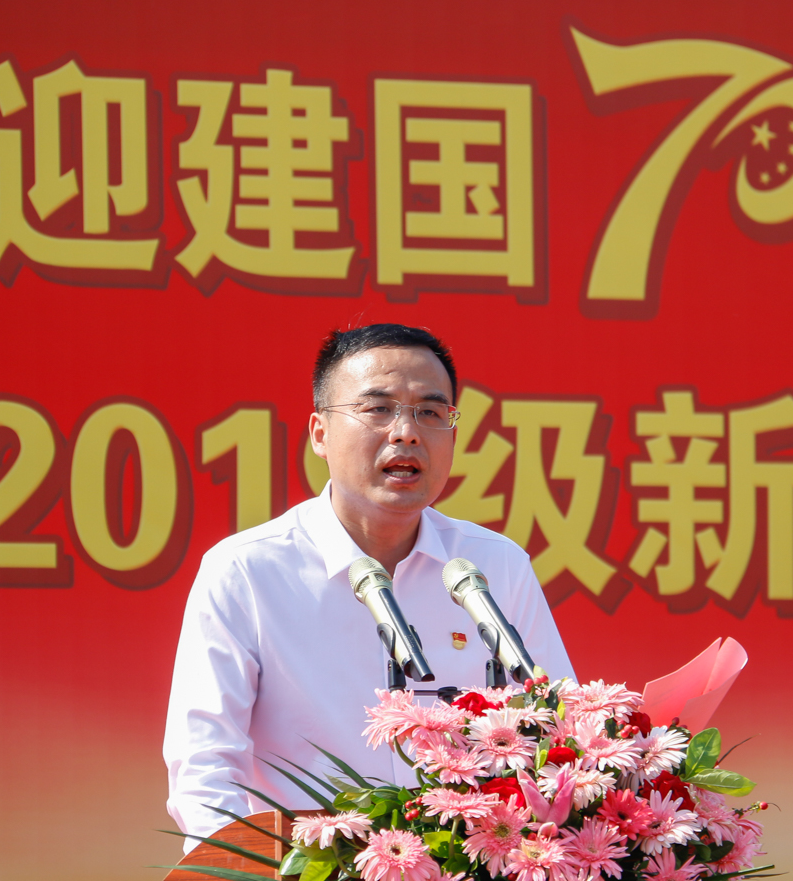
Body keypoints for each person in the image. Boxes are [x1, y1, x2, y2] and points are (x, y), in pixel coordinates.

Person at [163, 324, 575, 847]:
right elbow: (205, 768)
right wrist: (241, 880)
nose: (407, 432)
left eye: (431, 412)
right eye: (378, 409)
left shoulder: (494, 566)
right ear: (320, 434)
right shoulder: (247, 571)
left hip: (471, 880)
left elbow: (561, 733)